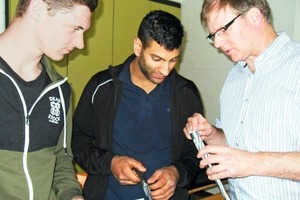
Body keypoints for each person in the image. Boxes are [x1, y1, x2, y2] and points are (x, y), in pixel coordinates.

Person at [72, 10, 204, 200]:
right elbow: (77, 141)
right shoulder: (102, 87)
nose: (165, 70)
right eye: (157, 59)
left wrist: (177, 173)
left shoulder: (186, 93)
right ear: (137, 46)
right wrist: (110, 162)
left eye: (173, 60)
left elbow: (196, 151)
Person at [183, 0, 300, 199]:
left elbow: (246, 160)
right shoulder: (233, 78)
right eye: (213, 36)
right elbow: (233, 142)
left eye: (223, 30)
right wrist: (211, 134)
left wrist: (252, 163)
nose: (218, 44)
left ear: (254, 17)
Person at [0, 0, 98, 199]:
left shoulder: (60, 89)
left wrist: (72, 195)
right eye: (75, 28)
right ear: (38, 9)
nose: (81, 43)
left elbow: (61, 160)